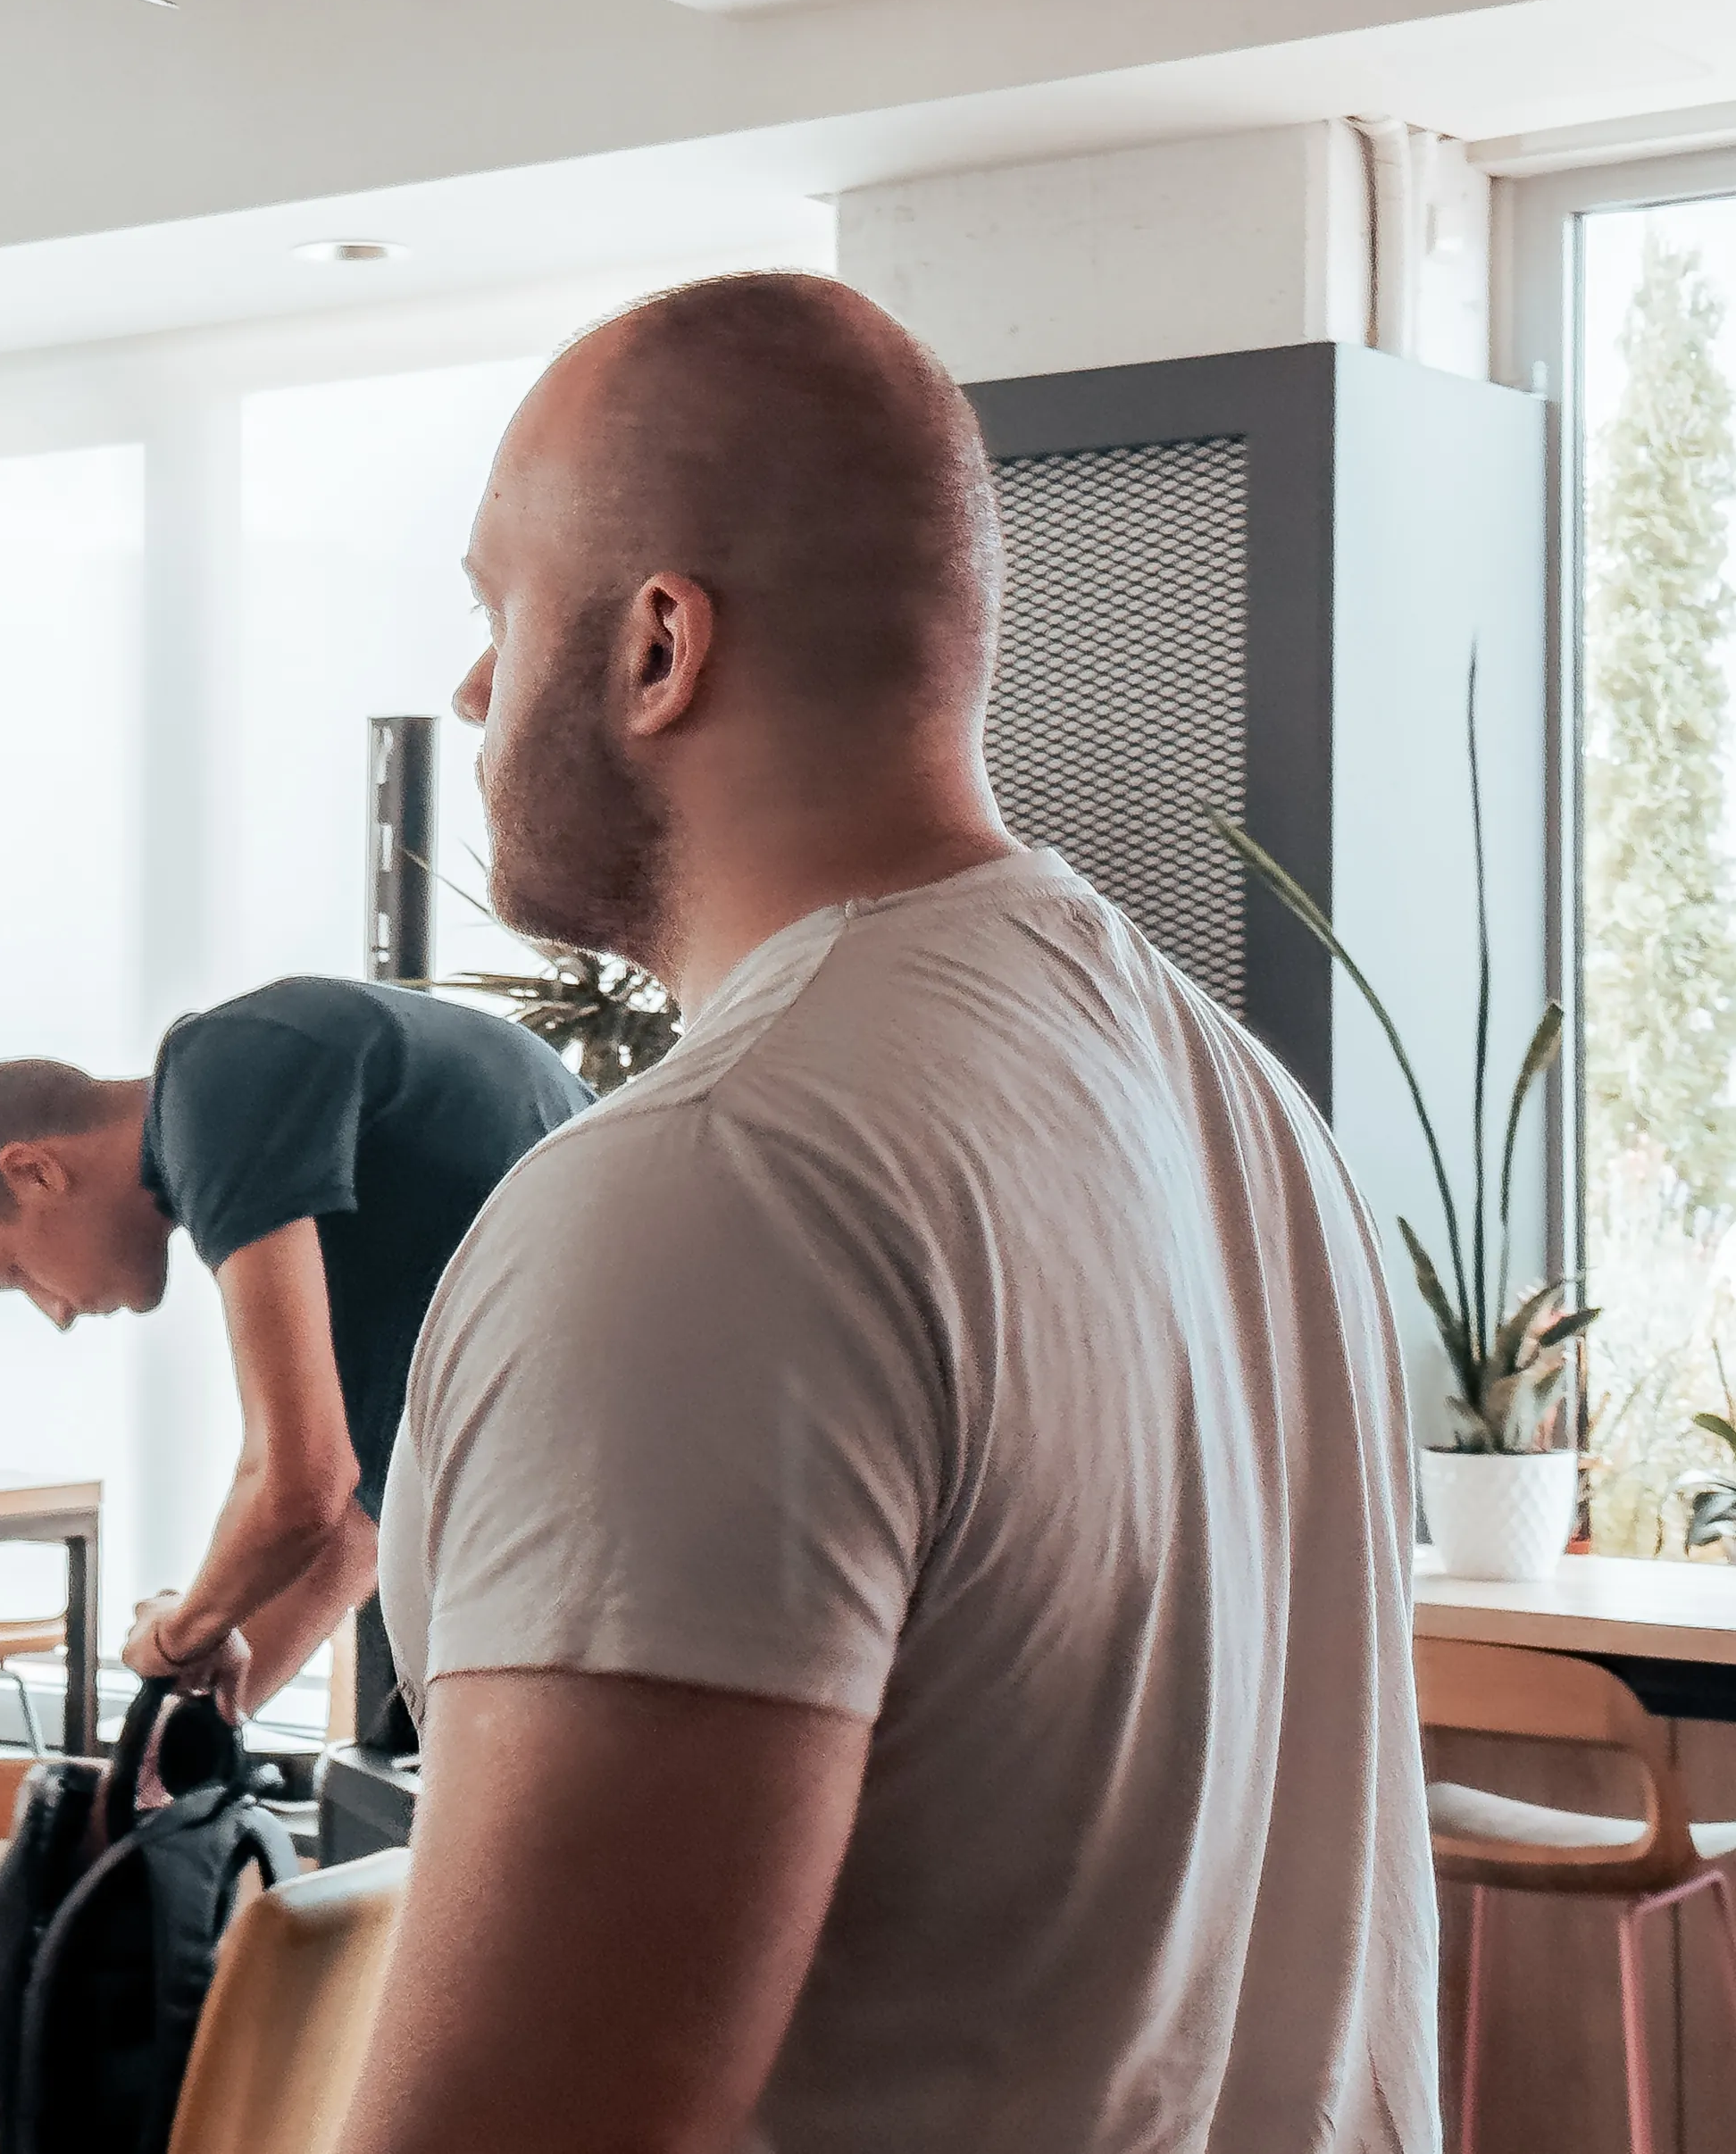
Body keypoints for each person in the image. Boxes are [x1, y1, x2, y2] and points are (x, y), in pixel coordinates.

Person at [344, 274, 1437, 2154]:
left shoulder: (714, 1187)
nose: (468, 689)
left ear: (656, 641)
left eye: (493, 611)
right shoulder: (1246, 1112)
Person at [0, 976, 587, 1729]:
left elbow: (300, 1481)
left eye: (16, 1274)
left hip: (598, 1498)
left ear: (33, 1170)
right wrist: (180, 1744)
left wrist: (173, 1632)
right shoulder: (333, 1192)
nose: (58, 1314)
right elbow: (354, 1527)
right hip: (601, 1480)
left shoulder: (221, 1071)